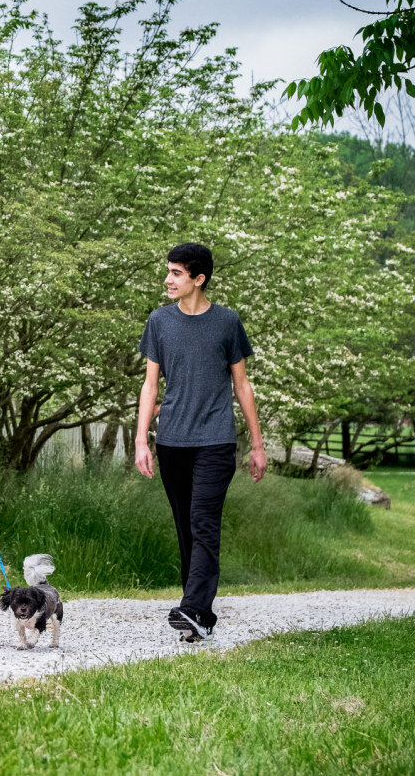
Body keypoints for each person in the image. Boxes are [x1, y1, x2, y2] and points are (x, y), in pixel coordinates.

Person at [134, 243, 267, 643]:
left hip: (215, 440)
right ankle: (201, 616)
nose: (168, 279)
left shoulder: (227, 322)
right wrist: (142, 438)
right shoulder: (159, 321)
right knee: (186, 527)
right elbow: (150, 385)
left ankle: (191, 608)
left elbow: (242, 384)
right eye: (169, 271)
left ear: (199, 279)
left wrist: (257, 445)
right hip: (172, 440)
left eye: (176, 273)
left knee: (203, 522)